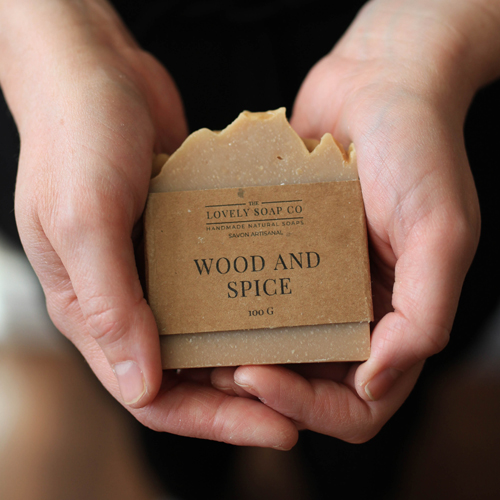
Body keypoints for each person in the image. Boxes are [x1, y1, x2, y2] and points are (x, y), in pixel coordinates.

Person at [0, 0, 496, 451]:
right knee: (155, 393)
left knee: (384, 389)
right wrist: (49, 47)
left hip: (407, 100)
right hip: (89, 95)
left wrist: (437, 29)